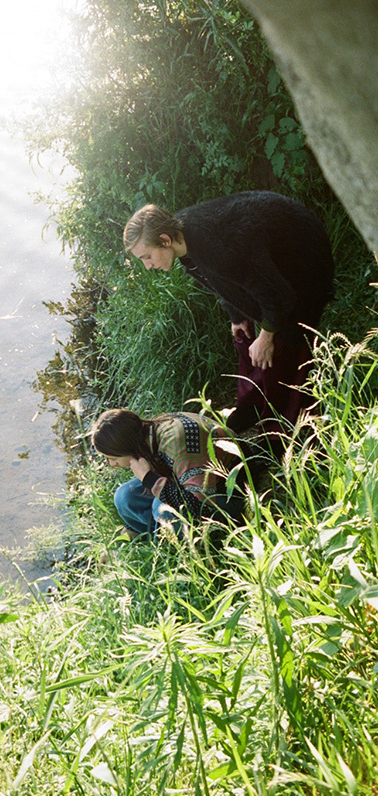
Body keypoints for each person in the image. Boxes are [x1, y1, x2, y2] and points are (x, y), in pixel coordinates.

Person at [123, 191, 334, 453]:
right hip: (270, 266)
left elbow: (279, 295)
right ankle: (253, 405)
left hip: (304, 262)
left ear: (164, 240)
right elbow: (223, 280)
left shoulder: (219, 247)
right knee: (245, 339)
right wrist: (237, 314)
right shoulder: (183, 237)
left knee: (284, 347)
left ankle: (281, 431)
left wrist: (267, 335)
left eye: (146, 256)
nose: (148, 266)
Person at [90, 408, 248, 540]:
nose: (112, 465)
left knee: (162, 509)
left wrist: (149, 479)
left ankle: (190, 545)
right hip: (193, 484)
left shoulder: (178, 443)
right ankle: (157, 535)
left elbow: (200, 507)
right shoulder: (147, 437)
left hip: (234, 492)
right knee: (125, 495)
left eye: (112, 458)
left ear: (128, 448)